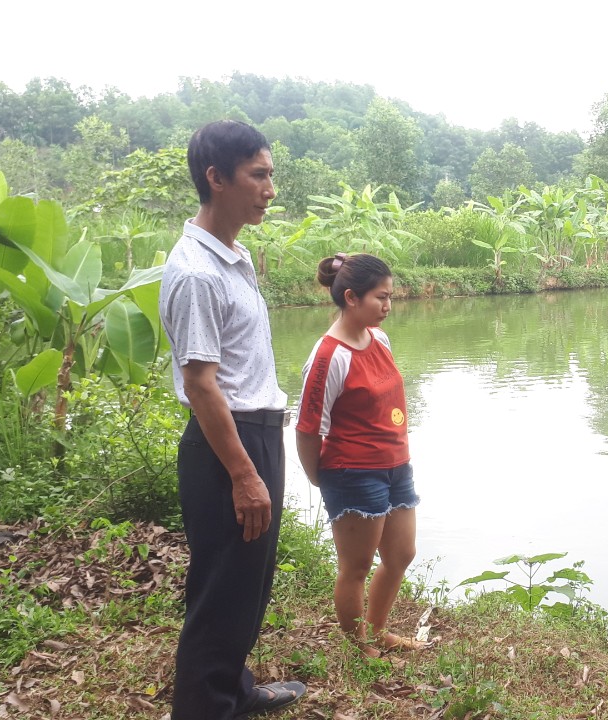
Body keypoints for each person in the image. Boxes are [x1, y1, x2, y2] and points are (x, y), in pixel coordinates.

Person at [158, 120, 305, 719]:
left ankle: (233, 690)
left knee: (241, 585)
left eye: (271, 174)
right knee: (225, 590)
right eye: (259, 175)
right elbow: (200, 384)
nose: (270, 188)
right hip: (230, 445)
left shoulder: (233, 255)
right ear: (216, 178)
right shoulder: (197, 270)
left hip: (253, 434)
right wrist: (245, 475)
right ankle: (203, 709)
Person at [295, 252, 428, 656]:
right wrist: (320, 478)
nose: (388, 306)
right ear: (351, 297)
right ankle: (360, 648)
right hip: (352, 472)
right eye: (380, 298)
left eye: (390, 297)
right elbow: (307, 429)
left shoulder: (379, 339)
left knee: (401, 554)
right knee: (355, 567)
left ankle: (376, 630)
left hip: (395, 467)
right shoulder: (328, 355)